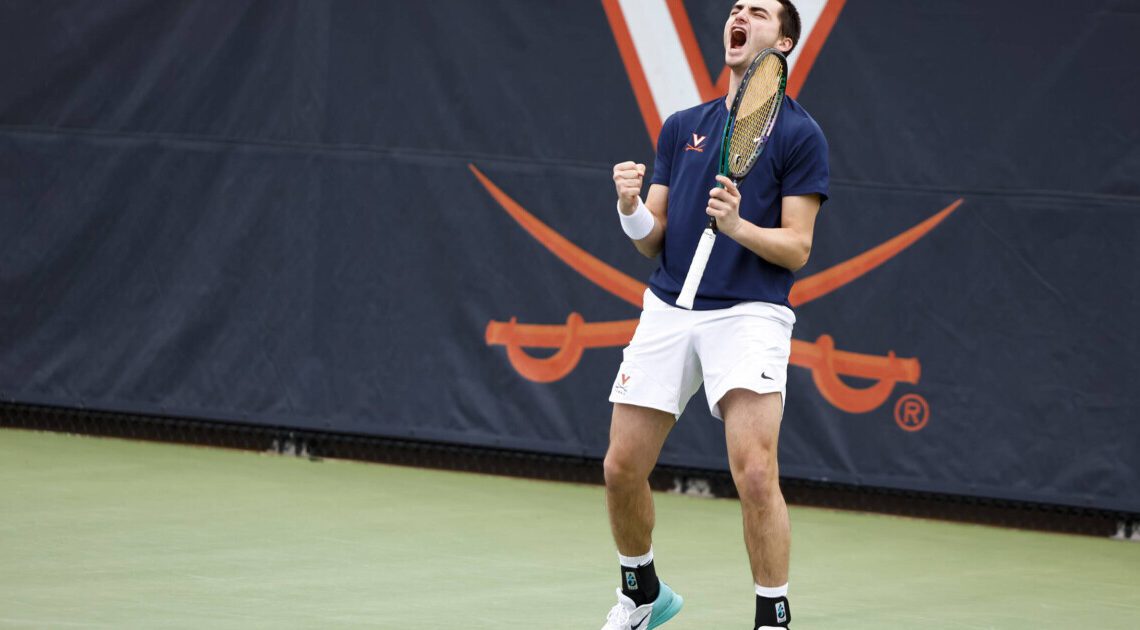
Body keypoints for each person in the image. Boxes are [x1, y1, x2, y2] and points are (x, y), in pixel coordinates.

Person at [600, 1, 829, 628]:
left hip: (750, 313)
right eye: (736, 7)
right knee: (621, 466)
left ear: (781, 43)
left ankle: (772, 617)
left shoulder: (801, 135)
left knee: (756, 473)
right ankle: (642, 592)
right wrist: (628, 208)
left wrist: (737, 226)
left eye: (757, 12)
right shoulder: (682, 126)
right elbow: (655, 234)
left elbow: (798, 247)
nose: (740, 15)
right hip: (670, 305)